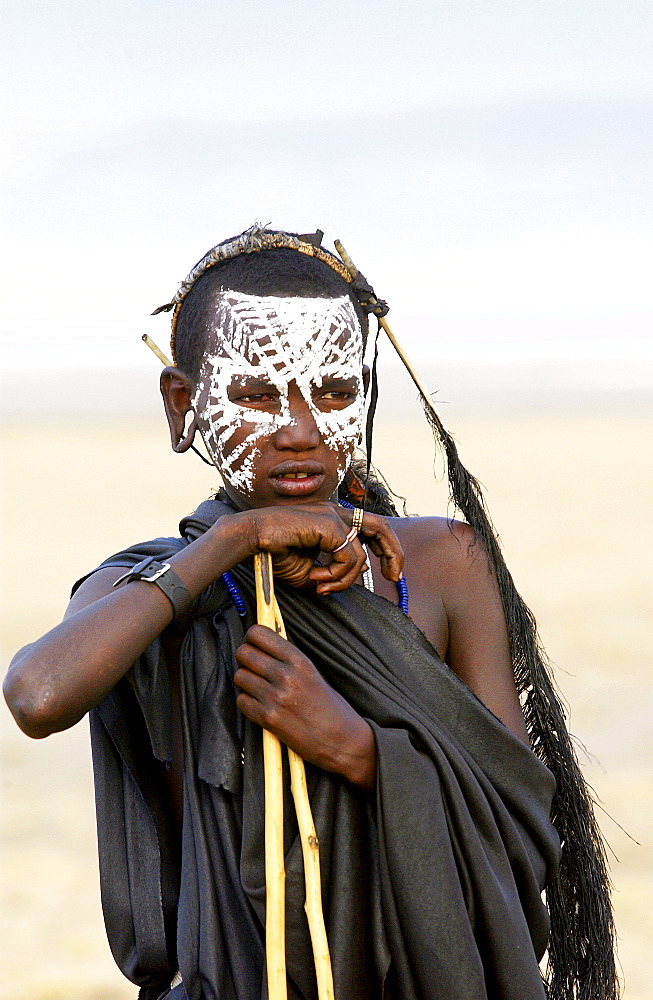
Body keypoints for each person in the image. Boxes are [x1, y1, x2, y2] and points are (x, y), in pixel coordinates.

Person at [4, 226, 617, 1000]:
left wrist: (357, 749)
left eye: (331, 392)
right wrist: (237, 537)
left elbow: (522, 825)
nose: (297, 432)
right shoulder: (152, 590)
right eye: (257, 395)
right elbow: (37, 695)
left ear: (363, 396)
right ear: (183, 404)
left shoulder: (439, 565)